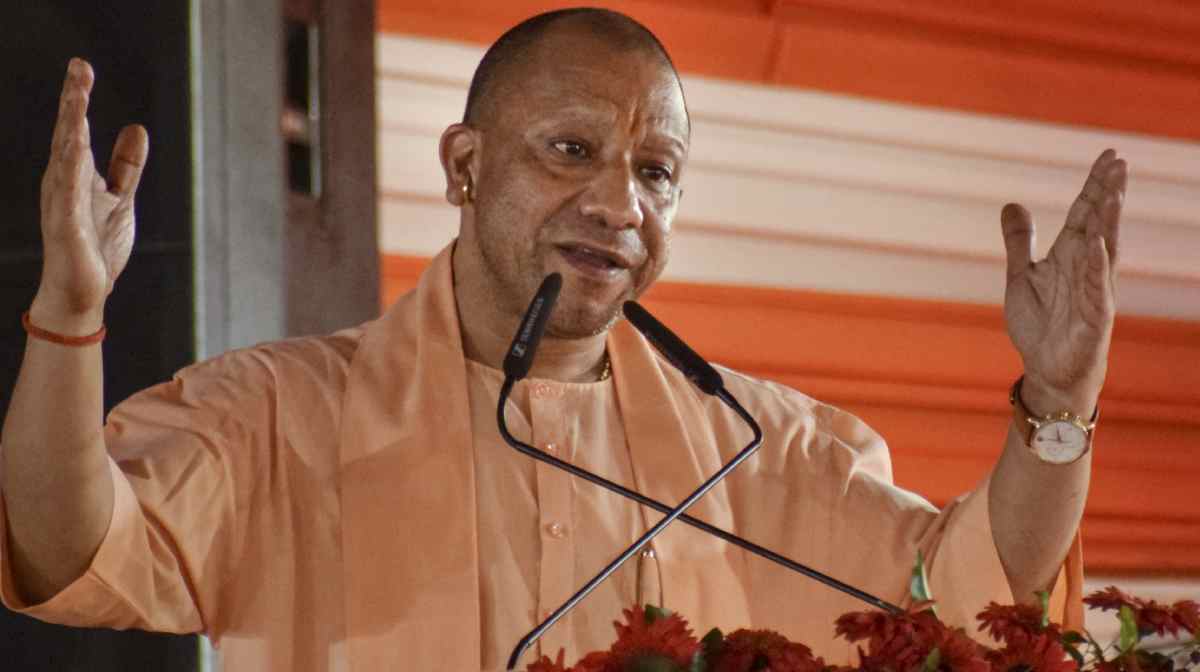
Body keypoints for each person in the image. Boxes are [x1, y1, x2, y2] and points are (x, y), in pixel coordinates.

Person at [0, 8, 1126, 672]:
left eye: (655, 172)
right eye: (573, 150)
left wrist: (1060, 403)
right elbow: (67, 551)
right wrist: (69, 320)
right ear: (464, 165)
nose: (620, 205)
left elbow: (964, 591)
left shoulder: (760, 445)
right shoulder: (278, 415)